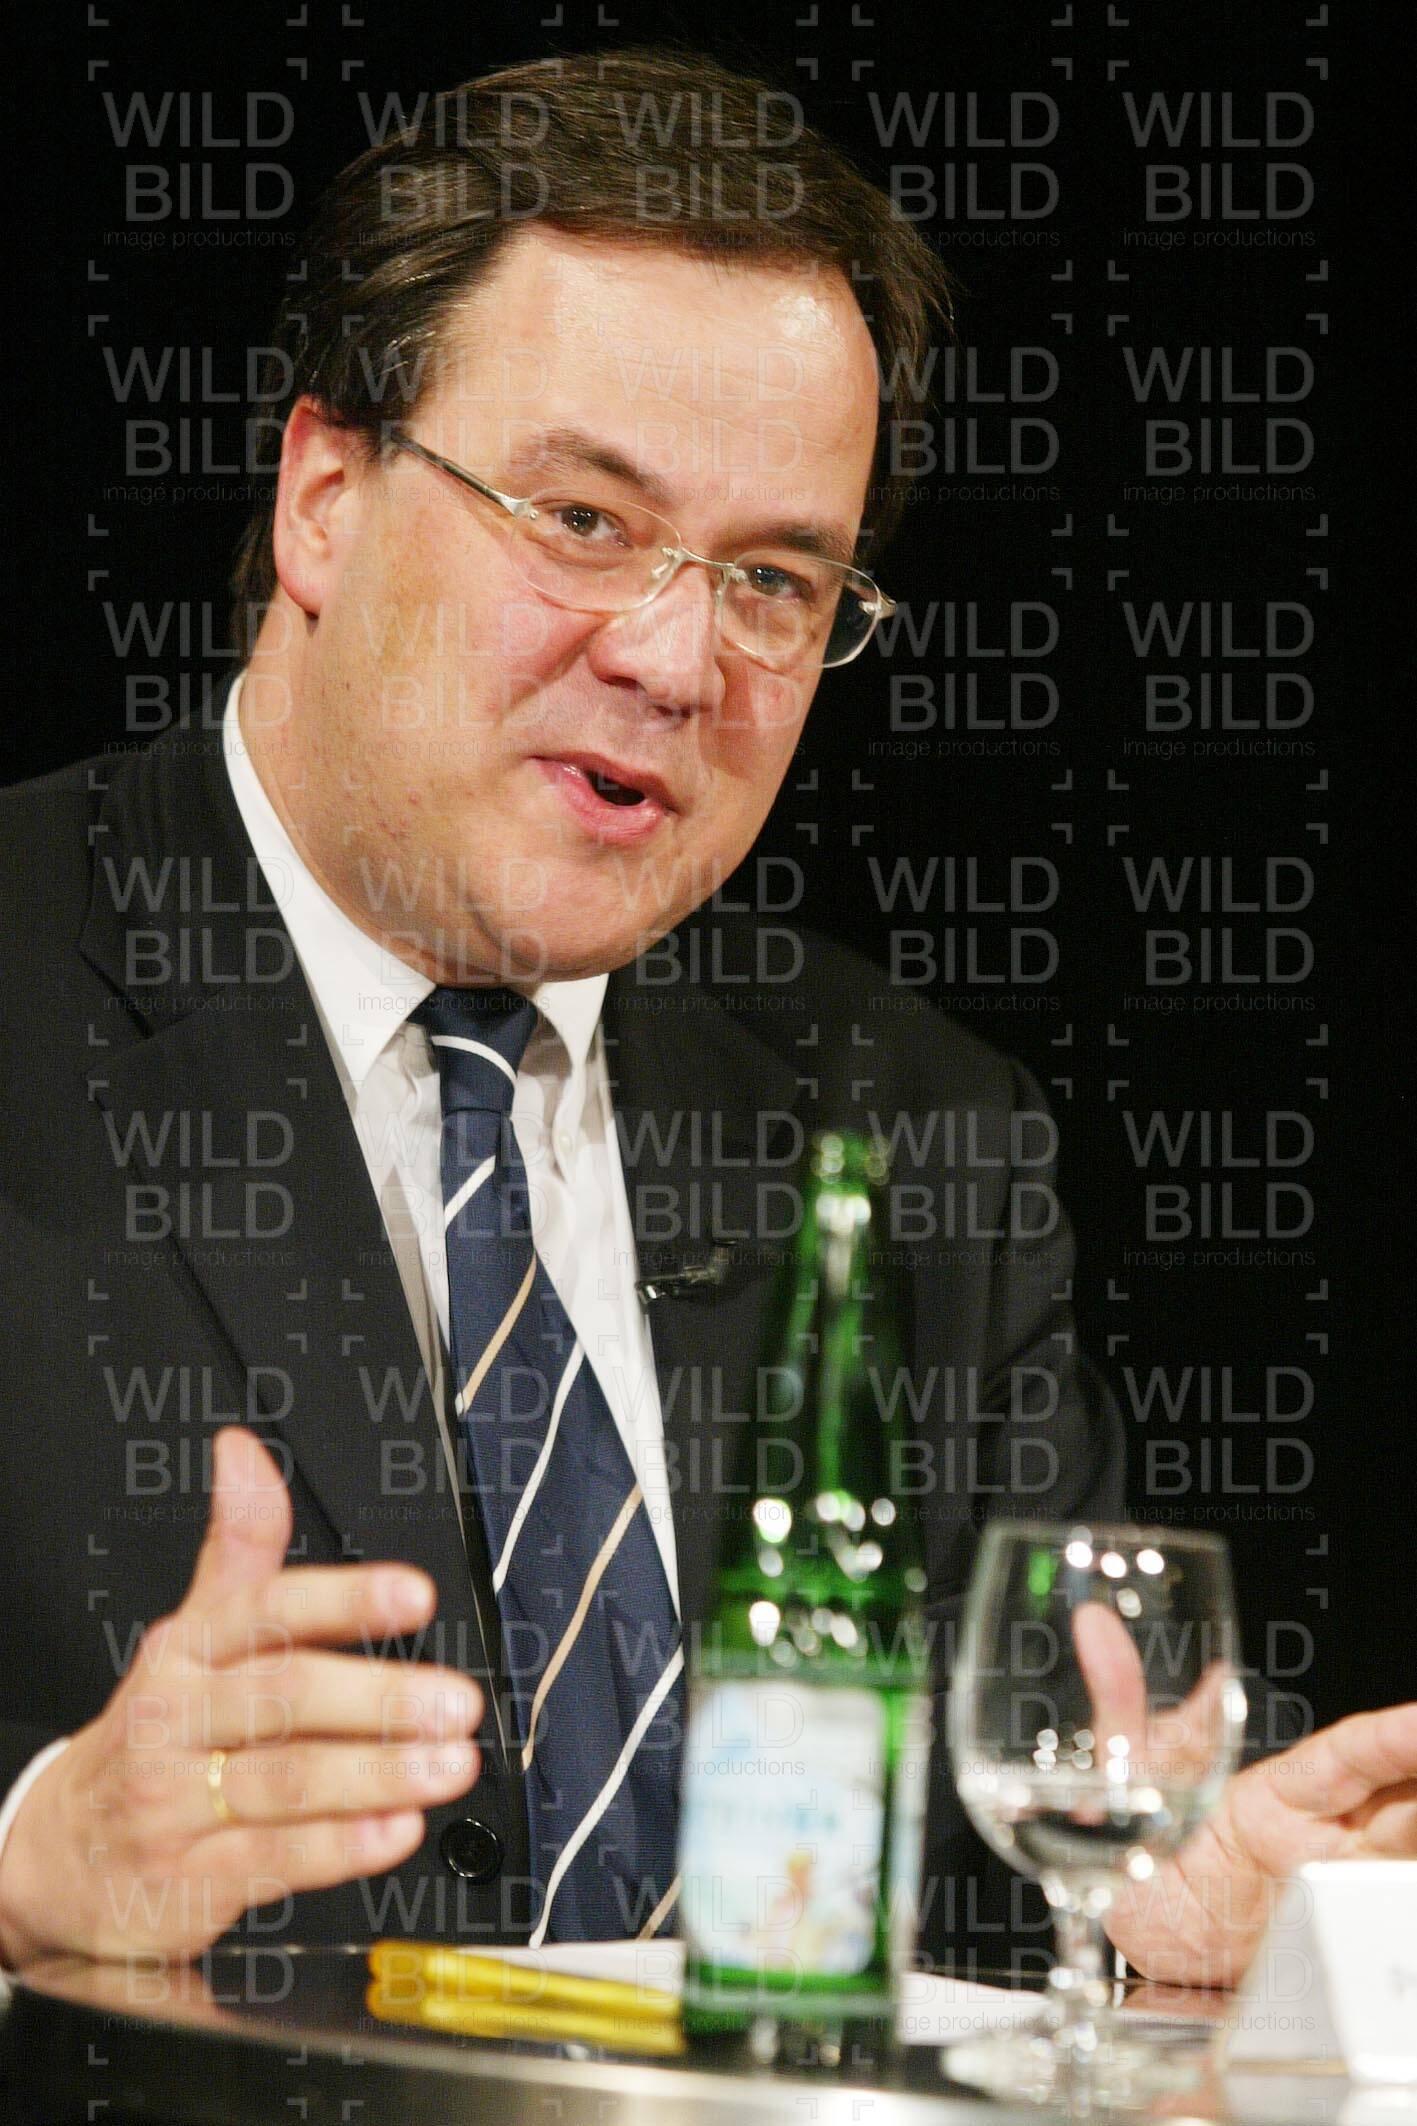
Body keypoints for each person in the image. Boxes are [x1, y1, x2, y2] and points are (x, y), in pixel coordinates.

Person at [0, 45, 1411, 1986]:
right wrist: (29, 1854)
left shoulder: (917, 1126)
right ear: (323, 497)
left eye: (772, 578)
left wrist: (1151, 1902)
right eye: (583, 520)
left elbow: (1025, 1823)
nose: (676, 659)